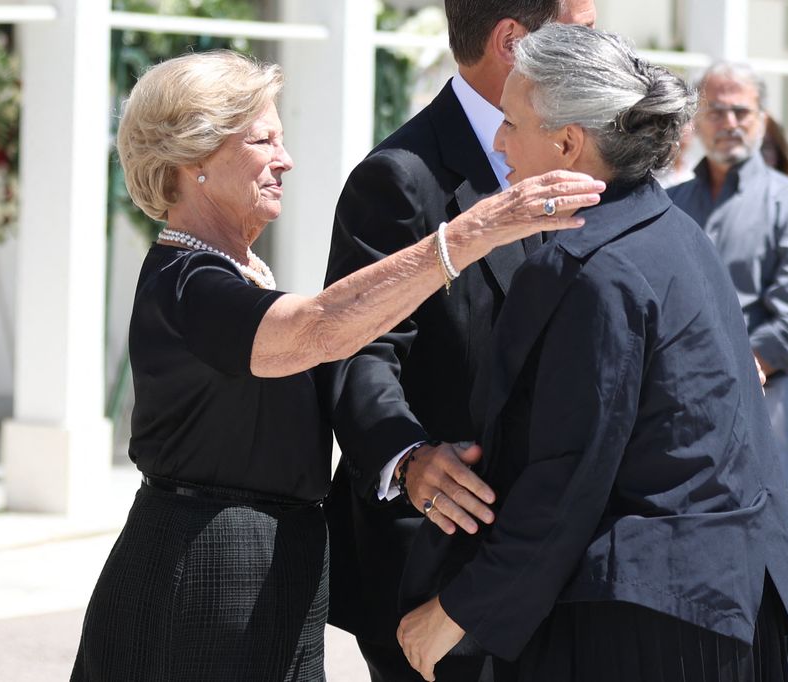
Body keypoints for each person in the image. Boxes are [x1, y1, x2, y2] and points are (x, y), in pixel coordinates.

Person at [70, 50, 603, 681]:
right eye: (262, 139)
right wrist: (469, 234)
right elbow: (321, 329)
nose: (285, 159)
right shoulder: (186, 283)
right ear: (195, 159)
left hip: (273, 566)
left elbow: (354, 338)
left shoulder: (231, 273)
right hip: (205, 573)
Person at [397, 25, 788, 682]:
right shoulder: (674, 231)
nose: (500, 140)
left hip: (640, 627)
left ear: (567, 142)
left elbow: (567, 474)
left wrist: (456, 611)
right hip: (717, 611)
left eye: (511, 122)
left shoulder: (592, 267)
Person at [323, 1, 596, 680]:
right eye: (584, 32)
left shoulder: (582, 152)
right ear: (513, 41)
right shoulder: (398, 177)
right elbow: (358, 347)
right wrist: (408, 458)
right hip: (435, 561)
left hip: (550, 562)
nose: (601, 48)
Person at [667, 62, 788, 489]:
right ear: (696, 121)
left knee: (755, 536)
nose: (730, 123)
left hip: (762, 398)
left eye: (742, 111)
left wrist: (724, 377)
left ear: (763, 119)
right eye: (717, 111)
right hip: (671, 402)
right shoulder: (668, 204)